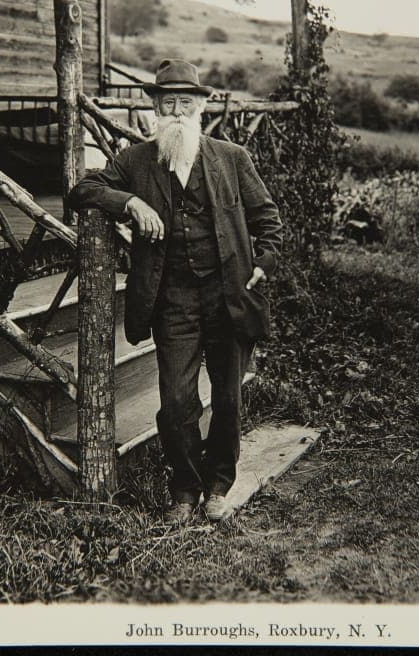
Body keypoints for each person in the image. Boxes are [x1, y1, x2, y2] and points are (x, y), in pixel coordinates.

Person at [68, 59, 282, 524]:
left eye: (187, 102)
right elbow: (82, 189)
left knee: (227, 399)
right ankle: (184, 488)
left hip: (229, 296)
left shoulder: (231, 158)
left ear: (201, 106)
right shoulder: (137, 161)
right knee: (176, 401)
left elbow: (268, 221)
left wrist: (263, 263)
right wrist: (129, 201)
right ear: (156, 109)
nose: (178, 111)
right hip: (174, 302)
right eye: (169, 103)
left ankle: (218, 486)